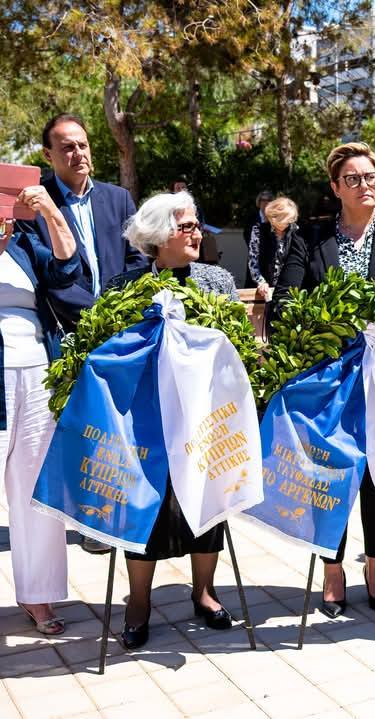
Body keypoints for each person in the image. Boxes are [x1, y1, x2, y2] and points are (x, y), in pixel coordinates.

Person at [271, 142, 375, 618]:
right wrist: (329, 330)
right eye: (353, 178)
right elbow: (285, 304)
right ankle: (332, 569)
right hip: (329, 381)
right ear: (335, 188)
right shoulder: (309, 239)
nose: (365, 185)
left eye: (370, 177)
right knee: (331, 471)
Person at [104, 191, 239, 650]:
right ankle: (139, 602)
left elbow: (234, 345)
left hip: (204, 416)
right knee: (144, 508)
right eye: (187, 227)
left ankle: (204, 592)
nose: (197, 233)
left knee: (206, 502)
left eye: (197, 224)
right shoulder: (123, 289)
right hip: (147, 421)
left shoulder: (216, 282)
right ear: (160, 235)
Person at [36, 112, 146, 555]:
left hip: (121, 332)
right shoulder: (37, 203)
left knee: (121, 426)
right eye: (66, 147)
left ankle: (122, 511)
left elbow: (138, 259)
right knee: (84, 428)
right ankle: (91, 521)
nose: (78, 153)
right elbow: (51, 276)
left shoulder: (118, 199)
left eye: (82, 144)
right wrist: (97, 315)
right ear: (48, 155)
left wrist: (119, 312)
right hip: (69, 332)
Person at [2, 186, 81, 634]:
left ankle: (39, 595)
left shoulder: (23, 242)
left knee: (35, 488)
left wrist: (52, 213)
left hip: (36, 373)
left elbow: (67, 270)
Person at [246, 197, 299, 300]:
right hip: (265, 292)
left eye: (292, 219)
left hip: (290, 290)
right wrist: (261, 282)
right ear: (274, 217)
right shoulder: (258, 230)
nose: (291, 222)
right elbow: (253, 262)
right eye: (287, 218)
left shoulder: (296, 231)